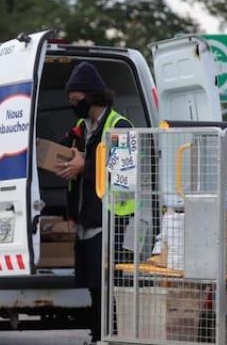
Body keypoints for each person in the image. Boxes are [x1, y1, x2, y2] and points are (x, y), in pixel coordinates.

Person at [56, 62, 132, 344]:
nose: (73, 105)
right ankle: (99, 334)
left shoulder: (120, 127)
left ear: (91, 96)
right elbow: (68, 164)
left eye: (76, 100)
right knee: (93, 285)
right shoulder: (79, 128)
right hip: (85, 217)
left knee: (107, 284)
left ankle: (108, 336)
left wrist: (83, 166)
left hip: (111, 219)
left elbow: (123, 172)